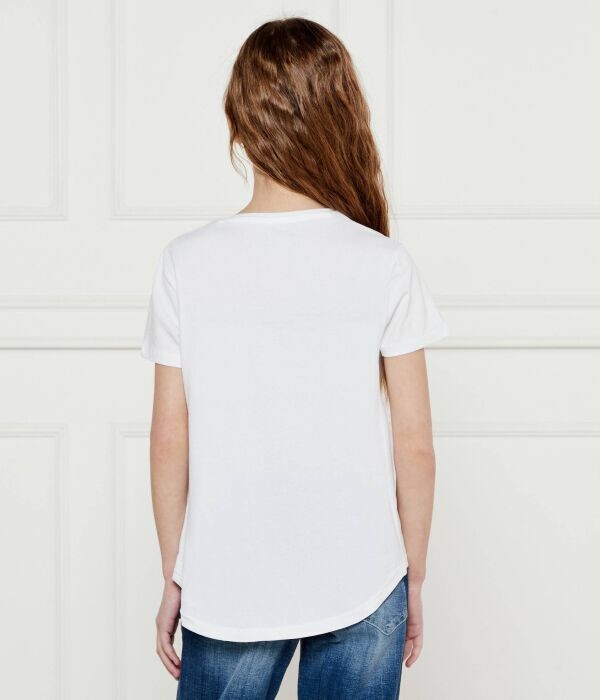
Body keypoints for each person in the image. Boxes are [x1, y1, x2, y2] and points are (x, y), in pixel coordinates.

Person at [141, 17, 448, 700]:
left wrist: (174, 570)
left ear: (238, 123)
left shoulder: (185, 263)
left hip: (228, 580)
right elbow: (416, 443)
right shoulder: (384, 262)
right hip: (364, 576)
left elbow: (168, 437)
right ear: (341, 119)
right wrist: (415, 575)